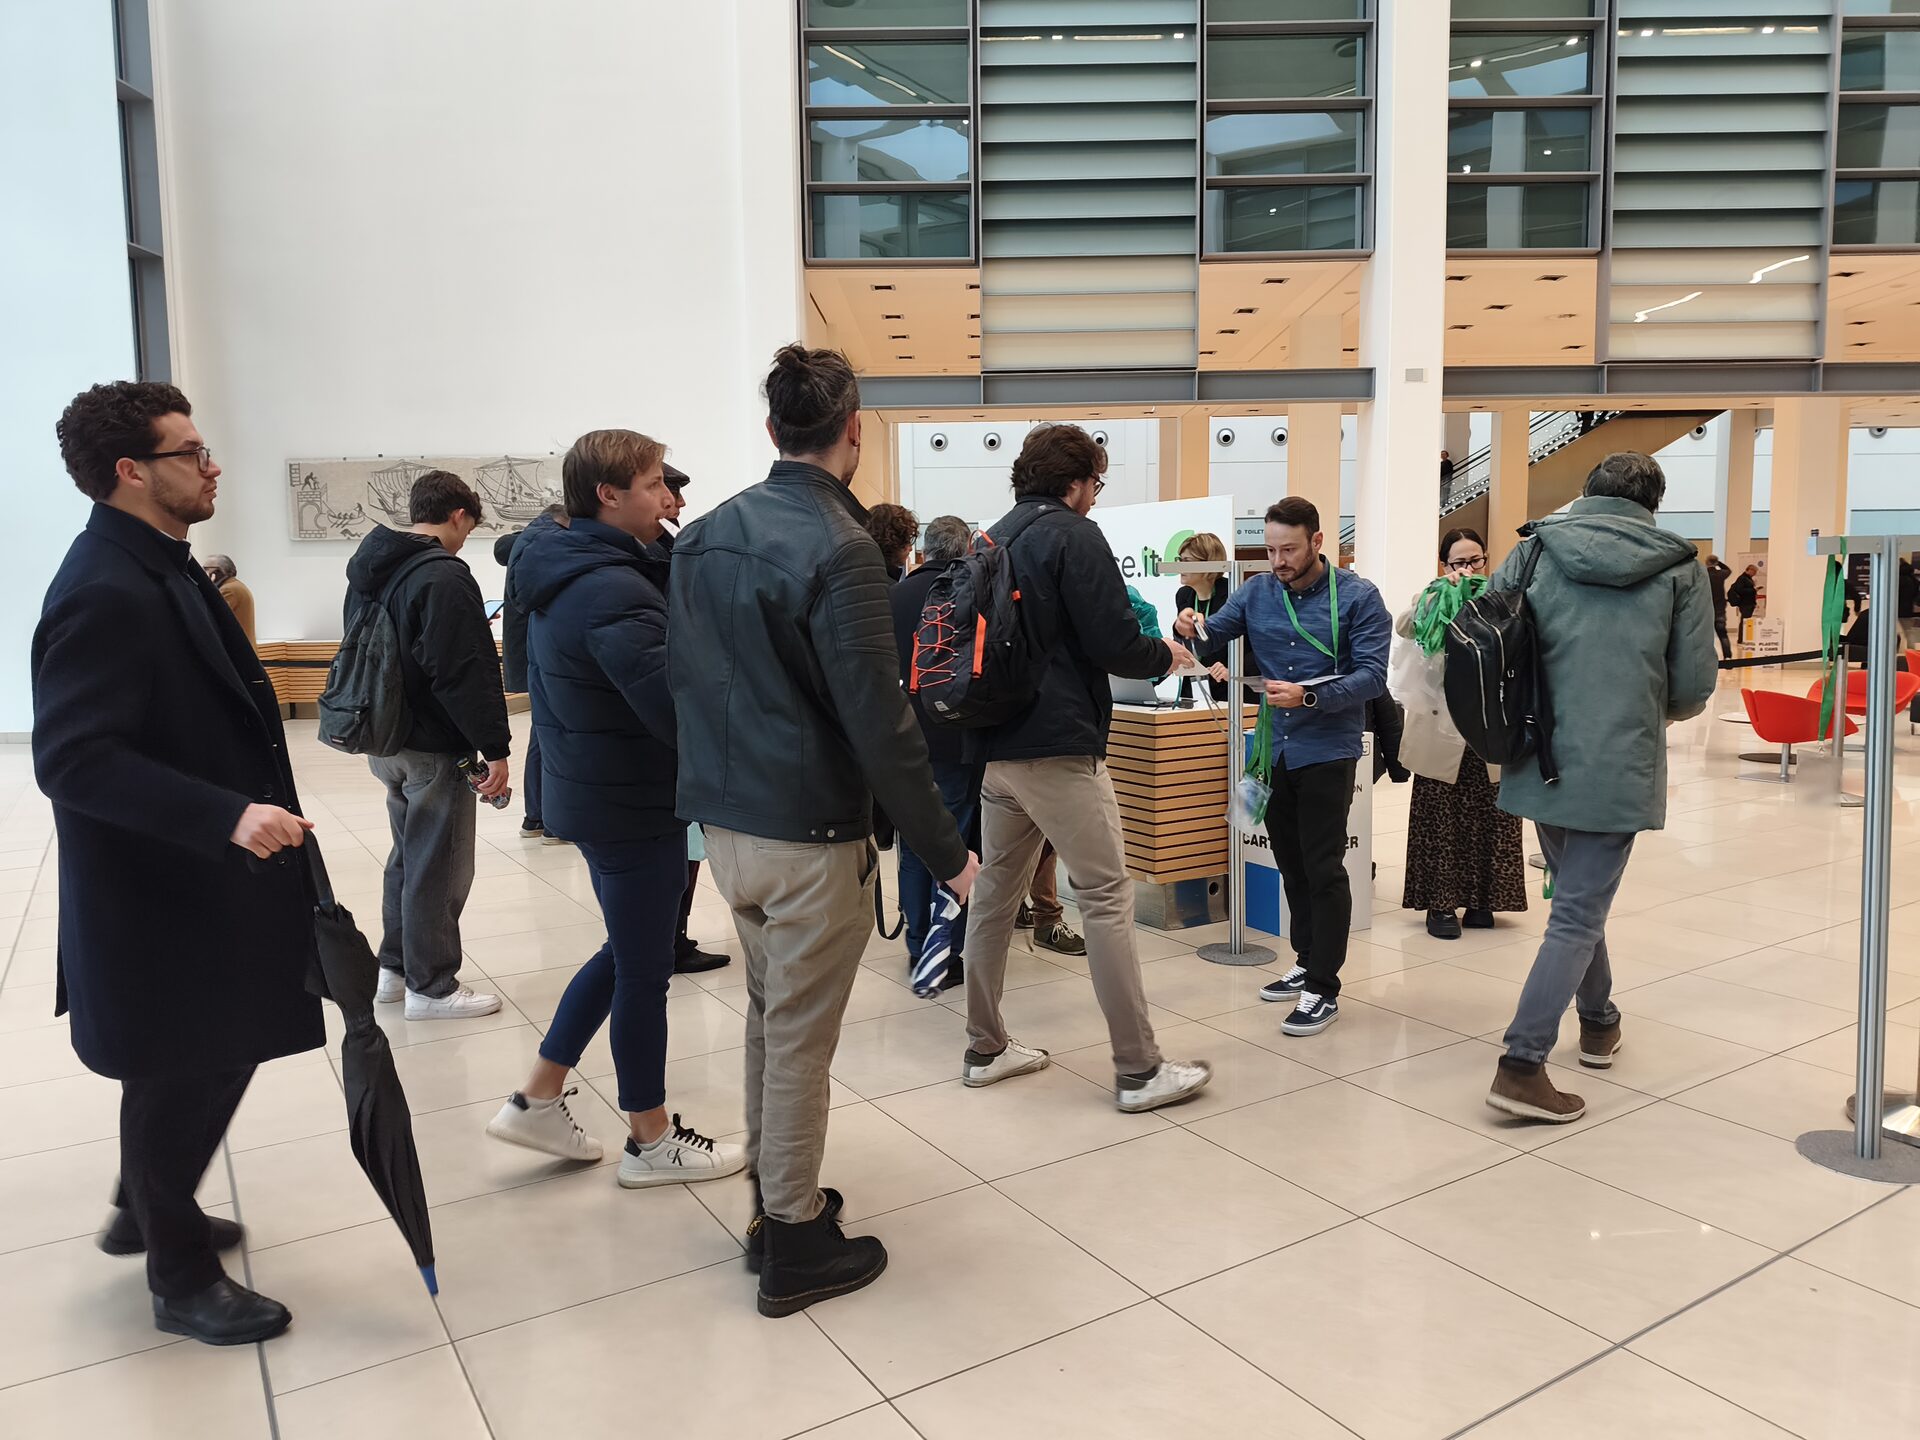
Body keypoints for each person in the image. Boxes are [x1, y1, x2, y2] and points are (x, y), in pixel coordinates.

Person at [670, 344, 978, 1318]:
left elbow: (686, 679)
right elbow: (881, 724)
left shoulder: (704, 534)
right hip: (806, 834)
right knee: (799, 1038)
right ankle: (796, 1243)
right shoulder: (843, 548)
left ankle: (777, 1204)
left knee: (772, 1020)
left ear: (772, 430)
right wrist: (948, 854)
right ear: (854, 431)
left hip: (728, 826)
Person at [35, 381, 321, 1345]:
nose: (213, 466)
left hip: (198, 881)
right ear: (131, 471)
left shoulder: (156, 563)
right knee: (180, 1068)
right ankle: (179, 1274)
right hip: (160, 889)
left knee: (213, 1047)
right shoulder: (104, 588)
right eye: (190, 452)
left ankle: (143, 1210)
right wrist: (227, 815)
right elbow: (73, 758)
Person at [485, 431, 743, 1183]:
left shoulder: (577, 564)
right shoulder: (608, 589)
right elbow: (672, 706)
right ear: (608, 494)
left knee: (630, 951)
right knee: (644, 970)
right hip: (628, 799)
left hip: (602, 789)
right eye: (655, 483)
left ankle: (537, 1097)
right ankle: (650, 1141)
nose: (669, 497)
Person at [960, 423, 1213, 1112]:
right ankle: (1139, 1068)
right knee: (1104, 895)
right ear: (1074, 482)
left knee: (995, 896)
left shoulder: (993, 537)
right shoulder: (1074, 535)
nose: (1096, 496)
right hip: (1060, 747)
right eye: (1096, 483)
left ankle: (985, 1047)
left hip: (996, 748)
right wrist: (1164, 655)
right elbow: (1113, 642)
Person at [1485, 452, 1717, 1124]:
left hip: (1537, 752)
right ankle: (1521, 1064)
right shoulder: (1679, 568)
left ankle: (1598, 1021)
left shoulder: (1532, 552)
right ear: (1652, 505)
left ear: (1586, 492)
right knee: (1578, 913)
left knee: (1575, 900)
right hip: (1618, 760)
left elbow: (1486, 641)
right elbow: (1692, 686)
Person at [1175, 496, 1391, 1037]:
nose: (1278, 561)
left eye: (1289, 549)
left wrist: (1310, 697)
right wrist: (1189, 624)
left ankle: (1324, 987)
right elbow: (1212, 634)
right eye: (1270, 550)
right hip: (1272, 750)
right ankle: (1305, 959)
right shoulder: (1257, 592)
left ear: (1317, 541)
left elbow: (1373, 677)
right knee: (1290, 864)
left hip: (1327, 749)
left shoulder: (1359, 597)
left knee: (1323, 867)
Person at [343, 470, 507, 1020]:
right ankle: (432, 987)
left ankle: (394, 969)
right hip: (434, 745)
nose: (465, 540)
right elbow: (462, 670)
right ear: (458, 515)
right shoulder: (444, 575)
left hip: (383, 736)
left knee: (408, 855)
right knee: (441, 864)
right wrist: (494, 746)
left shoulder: (370, 568)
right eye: (469, 529)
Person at [1394, 528, 1527, 940]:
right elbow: (1404, 627)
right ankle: (1441, 905)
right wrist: (1437, 596)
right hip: (1442, 726)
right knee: (1440, 819)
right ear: (1444, 564)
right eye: (1459, 562)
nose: (1469, 568)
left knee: (1491, 814)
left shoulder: (1502, 597)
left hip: (1491, 723)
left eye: (1476, 560)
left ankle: (1484, 899)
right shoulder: (1432, 595)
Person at [890, 514, 981, 990]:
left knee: (912, 846)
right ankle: (943, 952)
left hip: (903, 741)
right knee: (953, 846)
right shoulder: (967, 594)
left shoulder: (894, 596)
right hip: (955, 738)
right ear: (965, 549)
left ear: (924, 550)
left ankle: (916, 944)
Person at [655, 463, 729, 975]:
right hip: (672, 725)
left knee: (686, 845)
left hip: (678, 721)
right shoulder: (657, 556)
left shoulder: (667, 548)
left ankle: (672, 935)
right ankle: (669, 939)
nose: (679, 504)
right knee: (679, 846)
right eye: (668, 492)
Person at [498, 503, 569, 842]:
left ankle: (538, 818)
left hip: (530, 656)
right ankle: (548, 820)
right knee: (549, 737)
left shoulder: (528, 545)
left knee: (542, 735)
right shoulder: (547, 547)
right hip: (544, 657)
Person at [1173, 531, 1235, 701]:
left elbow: (1251, 646)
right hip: (1193, 688)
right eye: (1179, 560)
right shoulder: (1184, 595)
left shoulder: (1233, 593)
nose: (1180, 566)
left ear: (1208, 563)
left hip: (1227, 687)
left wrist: (1234, 669)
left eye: (1186, 561)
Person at [200, 553, 255, 644]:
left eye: (206, 569)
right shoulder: (235, 585)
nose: (203, 573)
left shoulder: (228, 589)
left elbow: (212, 617)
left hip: (236, 646)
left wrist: (207, 587)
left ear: (219, 571)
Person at [865, 501, 919, 582]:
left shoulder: (866, 570)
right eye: (906, 540)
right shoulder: (883, 582)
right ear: (893, 541)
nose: (910, 548)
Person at [1704, 554, 1732, 661]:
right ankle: (1727, 656)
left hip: (1707, 609)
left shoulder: (1704, 574)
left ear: (1706, 562)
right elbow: (1728, 570)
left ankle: (1707, 658)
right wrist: (1718, 563)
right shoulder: (1721, 574)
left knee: (1706, 636)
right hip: (1720, 609)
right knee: (1723, 634)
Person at [1728, 563, 1758, 640]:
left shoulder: (1748, 578)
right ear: (1750, 570)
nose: (1755, 573)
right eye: (1754, 571)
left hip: (1749, 603)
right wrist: (1753, 590)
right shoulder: (1742, 578)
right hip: (1745, 604)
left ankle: (1744, 638)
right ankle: (1741, 639)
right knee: (1744, 621)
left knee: (1746, 621)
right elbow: (1740, 590)